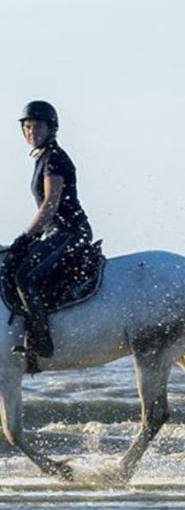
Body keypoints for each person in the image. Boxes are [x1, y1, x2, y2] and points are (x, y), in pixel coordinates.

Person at [10, 100, 94, 360]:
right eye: (27, 127)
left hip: (70, 232)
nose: (31, 132)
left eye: (37, 126)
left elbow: (50, 204)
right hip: (55, 233)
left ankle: (42, 342)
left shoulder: (54, 159)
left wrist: (26, 236)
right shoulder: (43, 158)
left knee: (24, 277)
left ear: (51, 128)